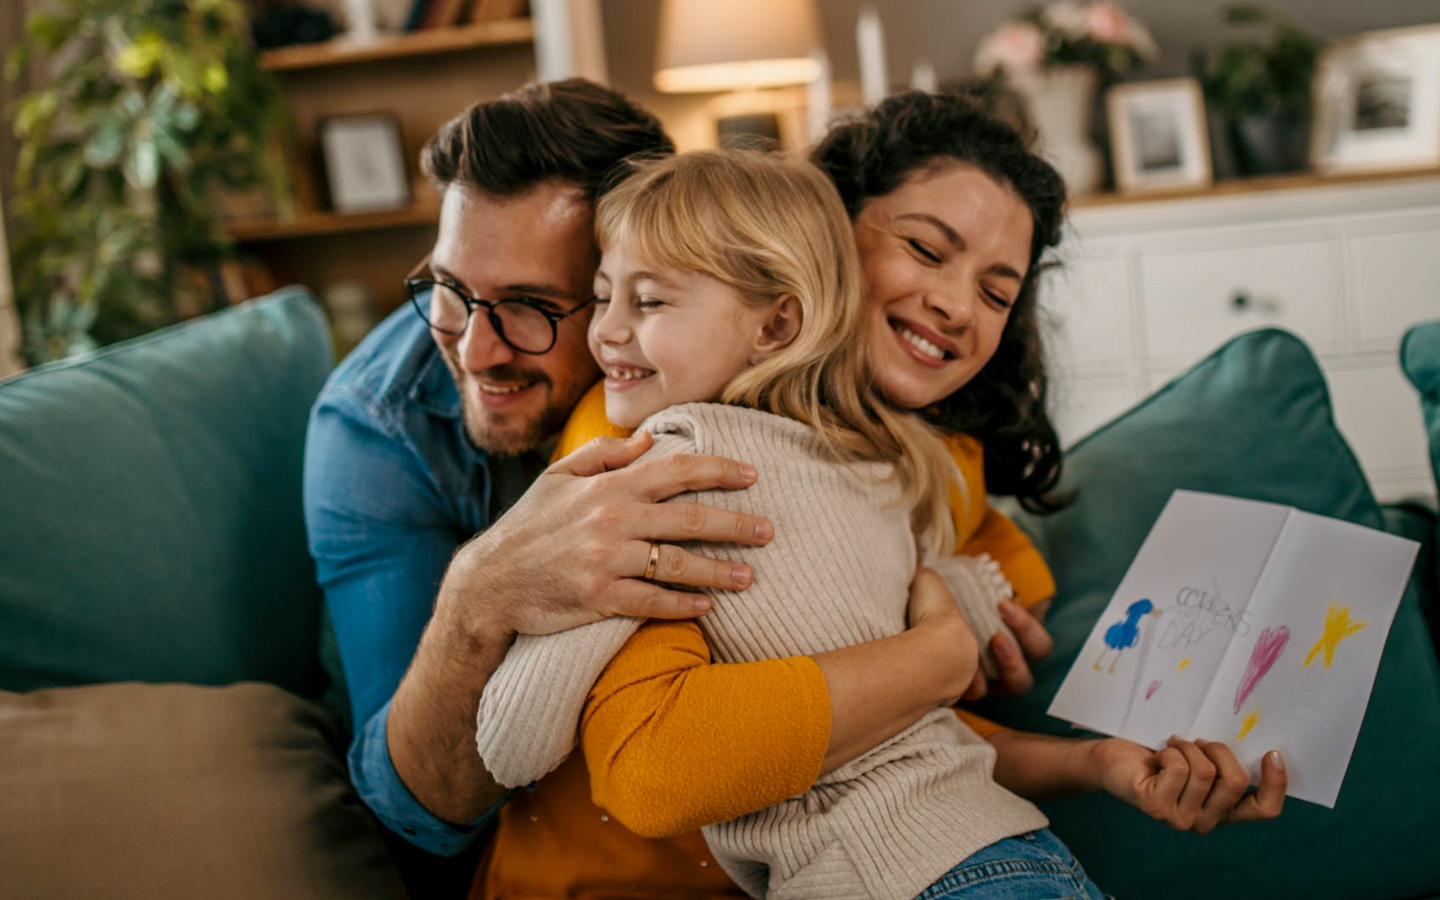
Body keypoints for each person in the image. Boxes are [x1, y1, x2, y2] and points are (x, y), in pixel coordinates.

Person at [304, 79, 1052, 898]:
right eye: (450, 289)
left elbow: (957, 583)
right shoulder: (389, 426)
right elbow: (422, 809)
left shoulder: (878, 438)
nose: (476, 351)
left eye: (533, 306)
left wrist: (958, 629)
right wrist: (481, 596)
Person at [473, 146, 1111, 900]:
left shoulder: (695, 458)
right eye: (926, 250)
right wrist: (948, 635)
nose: (606, 332)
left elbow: (507, 747)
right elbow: (655, 770)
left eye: (996, 293)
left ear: (779, 321)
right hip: (1004, 855)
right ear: (838, 247)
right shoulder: (894, 463)